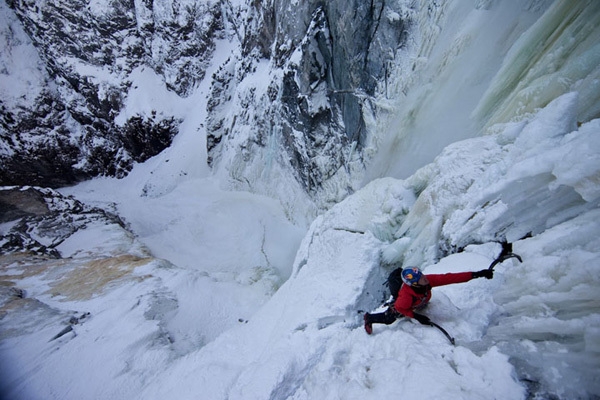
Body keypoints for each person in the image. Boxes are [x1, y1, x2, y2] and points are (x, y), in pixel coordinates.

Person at [363, 266, 493, 334]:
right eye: (420, 278)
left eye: (422, 275)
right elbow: (400, 308)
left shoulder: (426, 282)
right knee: (390, 318)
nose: (424, 278)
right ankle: (369, 318)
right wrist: (415, 316)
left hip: (417, 302)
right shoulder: (406, 296)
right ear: (414, 284)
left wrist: (476, 274)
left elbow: (450, 278)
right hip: (404, 305)